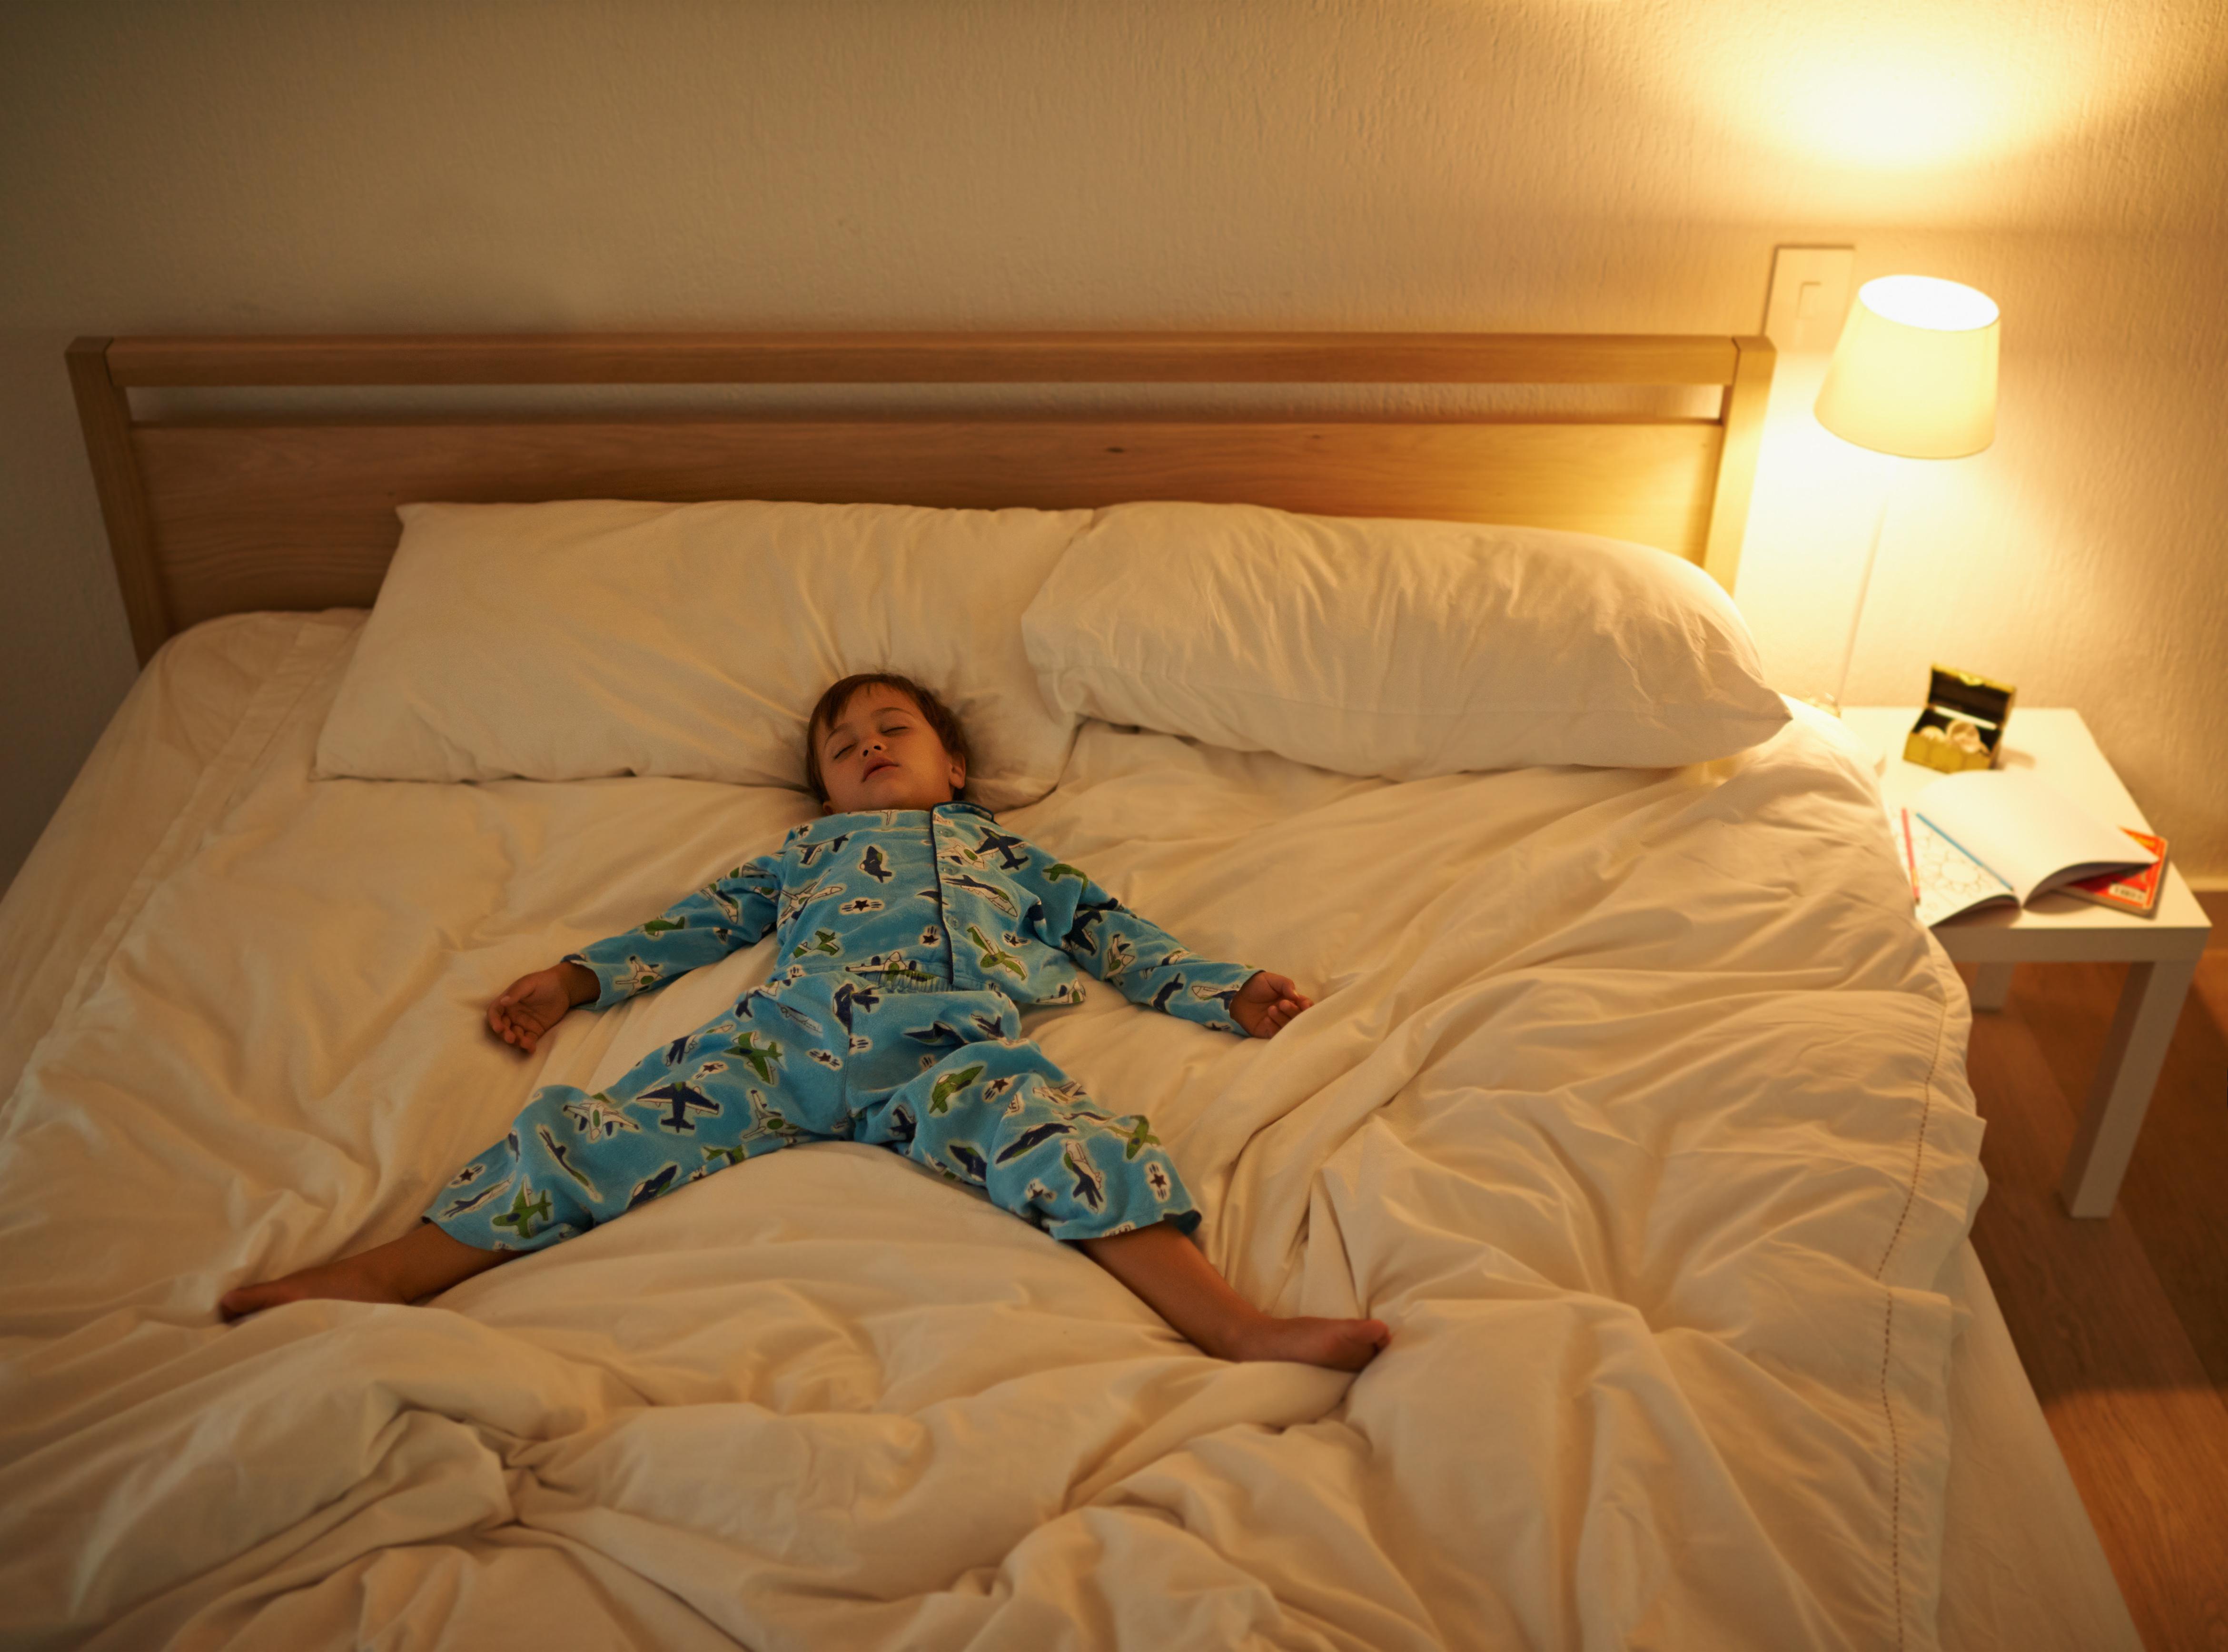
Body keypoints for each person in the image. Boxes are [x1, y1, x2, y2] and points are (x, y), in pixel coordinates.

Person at [221, 673, 1390, 1371]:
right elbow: (694, 922)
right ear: (823, 789)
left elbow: (1115, 935)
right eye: (842, 745)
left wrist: (1222, 990)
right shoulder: (801, 852)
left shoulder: (1007, 851)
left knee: (1074, 1145)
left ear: (955, 761)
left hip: (949, 1050)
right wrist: (579, 980)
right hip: (780, 1043)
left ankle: (1236, 1329)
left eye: (893, 728)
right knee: (588, 1134)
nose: (868, 745)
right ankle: (388, 1272)